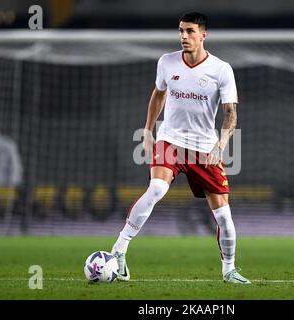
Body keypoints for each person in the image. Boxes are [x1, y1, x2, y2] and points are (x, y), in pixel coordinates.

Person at [111, 12, 250, 284]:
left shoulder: (221, 70)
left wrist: (220, 146)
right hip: (171, 141)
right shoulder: (167, 62)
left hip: (204, 148)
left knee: (223, 215)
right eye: (181, 31)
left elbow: (230, 113)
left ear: (203, 34)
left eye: (189, 31)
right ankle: (119, 249)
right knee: (157, 188)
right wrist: (148, 130)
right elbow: (159, 93)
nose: (184, 36)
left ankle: (229, 269)